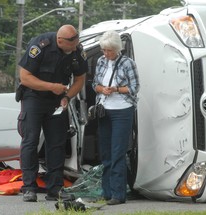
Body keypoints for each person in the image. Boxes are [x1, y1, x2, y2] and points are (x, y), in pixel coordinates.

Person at [17, 24, 88, 202]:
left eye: (76, 44)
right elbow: (25, 77)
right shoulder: (41, 45)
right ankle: (29, 188)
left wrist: (68, 96)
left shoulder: (77, 50)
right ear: (60, 41)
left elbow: (80, 79)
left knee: (56, 144)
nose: (74, 48)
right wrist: (52, 87)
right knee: (31, 141)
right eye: (71, 45)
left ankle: (55, 189)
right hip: (33, 98)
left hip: (57, 102)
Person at [92, 30, 140, 205]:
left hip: (122, 110)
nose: (106, 54)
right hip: (104, 109)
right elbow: (94, 84)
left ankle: (119, 194)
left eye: (109, 50)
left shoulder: (128, 63)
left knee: (118, 152)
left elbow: (135, 87)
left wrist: (116, 89)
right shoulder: (100, 61)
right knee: (105, 153)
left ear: (117, 48)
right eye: (104, 50)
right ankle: (107, 192)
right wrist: (101, 89)